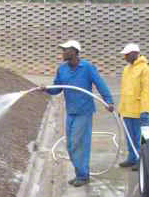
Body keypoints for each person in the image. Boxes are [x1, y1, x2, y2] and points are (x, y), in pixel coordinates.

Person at [42, 40, 115, 187]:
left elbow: (100, 83)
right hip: (70, 111)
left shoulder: (87, 67)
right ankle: (80, 173)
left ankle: (82, 175)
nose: (62, 53)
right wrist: (47, 89)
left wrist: (109, 101)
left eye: (65, 50)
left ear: (74, 51)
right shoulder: (61, 69)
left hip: (84, 111)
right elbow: (58, 88)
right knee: (70, 144)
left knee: (79, 143)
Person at [117, 43, 149, 171]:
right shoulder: (126, 69)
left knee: (139, 138)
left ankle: (139, 160)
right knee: (129, 137)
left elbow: (145, 91)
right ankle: (132, 158)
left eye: (126, 54)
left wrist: (145, 110)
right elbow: (124, 90)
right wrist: (121, 108)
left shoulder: (144, 69)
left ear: (135, 54)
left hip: (138, 111)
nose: (125, 57)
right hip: (127, 110)